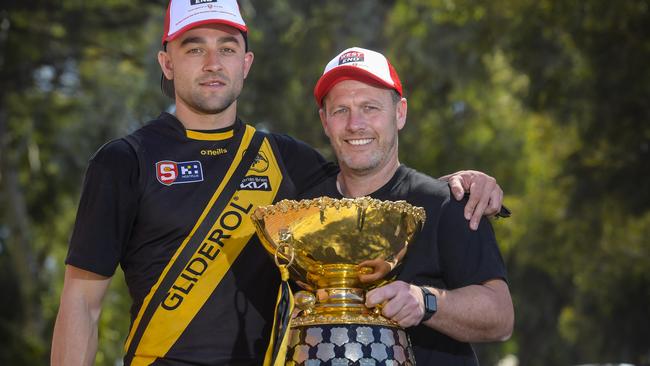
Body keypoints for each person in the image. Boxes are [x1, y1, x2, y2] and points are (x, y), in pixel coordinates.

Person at [50, 2, 506, 365]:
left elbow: (369, 174)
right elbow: (82, 305)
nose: (212, 63)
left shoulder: (288, 159)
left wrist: (461, 183)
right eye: (194, 48)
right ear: (166, 63)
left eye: (227, 48)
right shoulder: (123, 161)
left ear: (246, 62)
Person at [299, 47, 515, 364]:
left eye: (370, 107)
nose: (355, 124)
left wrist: (425, 301)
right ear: (324, 121)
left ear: (400, 113)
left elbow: (501, 316)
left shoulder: (447, 203)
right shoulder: (302, 214)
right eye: (341, 110)